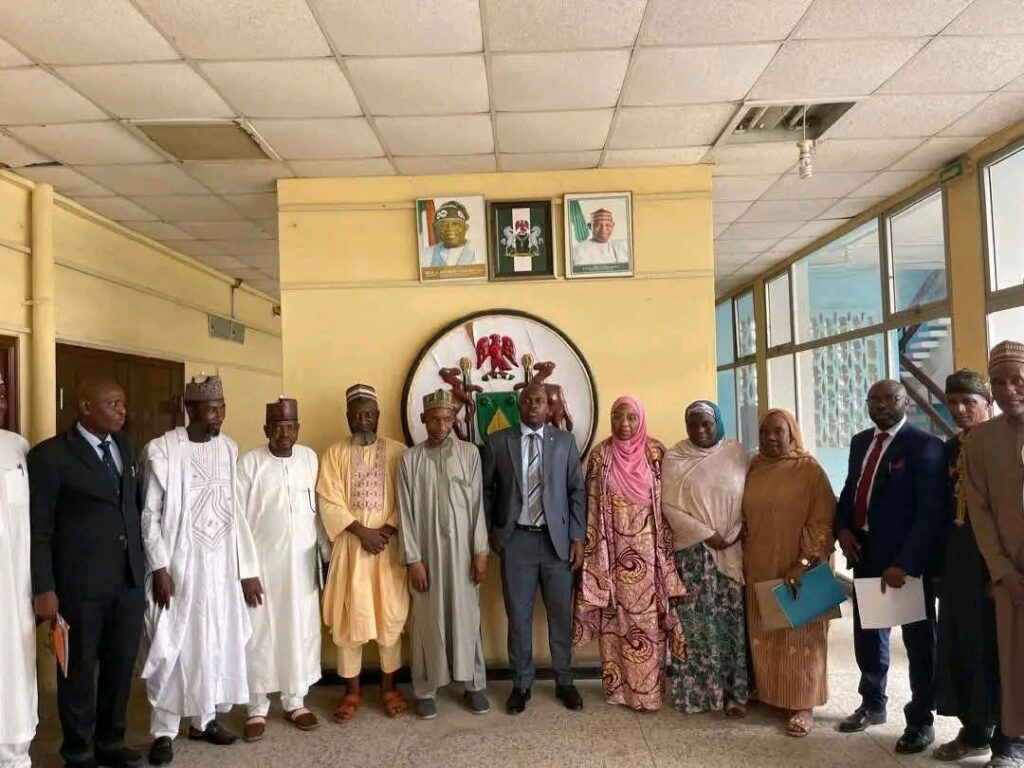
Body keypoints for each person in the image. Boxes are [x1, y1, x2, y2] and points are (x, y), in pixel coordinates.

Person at [140, 375, 262, 766]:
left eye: (223, 407)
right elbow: (149, 515)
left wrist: (244, 569)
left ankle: (205, 719)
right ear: (189, 410)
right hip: (179, 568)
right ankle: (163, 731)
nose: (220, 416)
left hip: (220, 569)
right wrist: (159, 567)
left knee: (215, 642)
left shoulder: (228, 448)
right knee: (174, 646)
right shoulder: (162, 451)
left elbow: (234, 515)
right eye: (212, 409)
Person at [28, 378, 146, 768]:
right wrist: (44, 587)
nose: (122, 410)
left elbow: (131, 508)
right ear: (83, 406)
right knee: (77, 672)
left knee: (119, 665)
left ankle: (111, 743)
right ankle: (78, 751)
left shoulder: (126, 447)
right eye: (113, 403)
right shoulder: (51, 456)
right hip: (79, 586)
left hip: (126, 582)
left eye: (123, 403)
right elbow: (39, 529)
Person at [835, 380, 946, 754]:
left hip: (904, 562)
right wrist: (842, 529)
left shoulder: (925, 446)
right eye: (874, 400)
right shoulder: (860, 441)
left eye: (890, 399)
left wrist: (907, 562)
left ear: (906, 403)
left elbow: (930, 512)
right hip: (864, 553)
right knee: (869, 634)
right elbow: (851, 489)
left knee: (918, 643)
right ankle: (873, 703)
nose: (881, 406)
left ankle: (920, 720)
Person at [573, 396, 685, 711]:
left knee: (648, 625)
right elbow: (591, 508)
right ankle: (618, 691)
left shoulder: (655, 454)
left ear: (641, 420)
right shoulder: (600, 456)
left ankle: (648, 693)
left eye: (631, 418)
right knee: (614, 622)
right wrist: (595, 556)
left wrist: (666, 555)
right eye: (618, 417)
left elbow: (669, 508)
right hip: (610, 556)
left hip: (648, 557)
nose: (624, 424)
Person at [482, 382, 586, 714]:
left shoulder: (565, 443)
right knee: (519, 617)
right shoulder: (499, 442)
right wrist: (493, 534)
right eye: (526, 401)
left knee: (559, 615)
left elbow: (576, 493)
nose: (532, 406)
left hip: (556, 542)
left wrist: (578, 537)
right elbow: (485, 490)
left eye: (539, 401)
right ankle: (521, 683)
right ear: (519, 405)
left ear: (548, 407)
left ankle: (565, 681)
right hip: (517, 542)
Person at [318, 383, 409, 721]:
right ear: (348, 418)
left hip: (387, 548)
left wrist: (384, 531)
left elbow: (408, 498)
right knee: (350, 618)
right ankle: (352, 692)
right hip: (351, 550)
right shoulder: (334, 454)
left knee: (390, 618)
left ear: (378, 416)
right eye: (357, 416)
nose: (364, 421)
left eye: (369, 414)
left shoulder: (399, 452)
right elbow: (328, 500)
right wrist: (361, 532)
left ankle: (389, 689)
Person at [397, 389, 490, 720]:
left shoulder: (469, 455)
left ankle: (474, 684)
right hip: (426, 554)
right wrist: (413, 559)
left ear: (455, 420)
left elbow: (478, 505)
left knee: (468, 617)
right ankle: (425, 689)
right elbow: (405, 512)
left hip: (464, 552)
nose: (441, 425)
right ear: (423, 419)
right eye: (434, 419)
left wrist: (480, 550)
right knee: (427, 618)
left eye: (448, 419)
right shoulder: (409, 460)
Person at [743, 409, 836, 737]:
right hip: (759, 563)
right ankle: (774, 695)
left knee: (802, 636)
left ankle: (803, 705)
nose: (770, 438)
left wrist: (805, 561)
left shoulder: (809, 470)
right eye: (765, 432)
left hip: (800, 568)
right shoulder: (754, 467)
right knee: (767, 634)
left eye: (778, 432)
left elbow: (823, 520)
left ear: (791, 433)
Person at [236, 398, 321, 742]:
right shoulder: (249, 463)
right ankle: (257, 706)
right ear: (266, 430)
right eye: (277, 428)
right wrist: (246, 571)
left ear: (298, 429)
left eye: (290, 427)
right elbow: (238, 522)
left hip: (300, 565)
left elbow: (314, 511)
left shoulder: (309, 458)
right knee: (260, 632)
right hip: (263, 568)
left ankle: (295, 700)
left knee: (297, 627)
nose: (284, 434)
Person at [661, 400, 750, 716]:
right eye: (694, 425)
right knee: (696, 625)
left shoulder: (736, 452)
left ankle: (733, 695)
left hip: (732, 550)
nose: (700, 430)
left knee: (729, 623)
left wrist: (733, 531)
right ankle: (698, 694)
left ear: (718, 423)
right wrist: (705, 533)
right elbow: (669, 506)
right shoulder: (675, 457)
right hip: (695, 555)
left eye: (707, 424)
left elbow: (748, 496)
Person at [935, 370, 1000, 762]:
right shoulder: (949, 448)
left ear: (987, 405)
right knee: (961, 647)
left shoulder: (1005, 445)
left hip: (995, 563)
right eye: (954, 402)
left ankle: (1010, 737)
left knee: (998, 648)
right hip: (958, 562)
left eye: (969, 403)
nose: (960, 410)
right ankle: (974, 730)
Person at [966, 340, 1024, 768]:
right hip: (1010, 577)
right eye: (1000, 381)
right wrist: (1002, 570)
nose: (1008, 390)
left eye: (1016, 379)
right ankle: (1014, 742)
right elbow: (979, 511)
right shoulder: (982, 440)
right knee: (1012, 660)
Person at [1, 372, 35, 768]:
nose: (1, 405)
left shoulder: (18, 447)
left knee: (13, 666)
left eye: (3, 397)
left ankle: (14, 755)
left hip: (14, 587)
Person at [421, 200, 476, 268]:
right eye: (443, 225)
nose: (449, 228)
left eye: (455, 224)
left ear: (466, 227)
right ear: (436, 229)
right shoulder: (425, 254)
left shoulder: (478, 251)